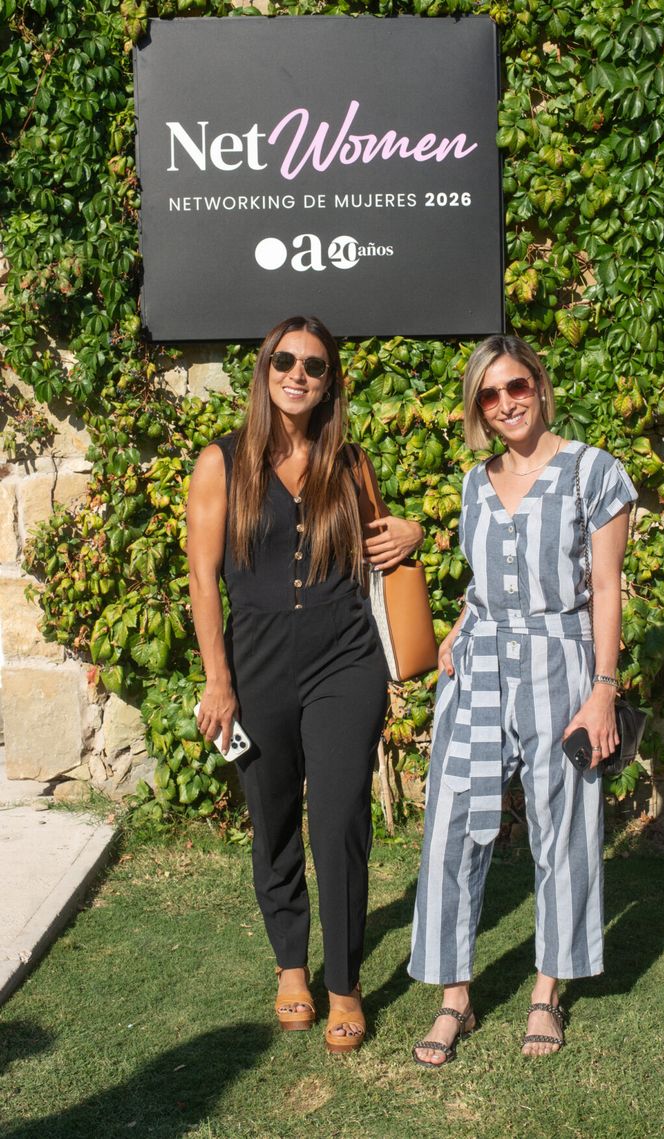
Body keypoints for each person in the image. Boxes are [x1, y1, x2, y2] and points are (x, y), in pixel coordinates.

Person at [187, 315, 422, 1054]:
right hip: (255, 664)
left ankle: (346, 983)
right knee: (274, 814)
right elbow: (201, 579)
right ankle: (293, 965)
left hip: (343, 659)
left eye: (314, 366)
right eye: (284, 360)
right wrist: (217, 681)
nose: (297, 374)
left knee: (342, 815)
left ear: (329, 384)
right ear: (265, 370)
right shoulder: (221, 462)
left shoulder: (349, 462)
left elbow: (383, 545)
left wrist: (412, 532)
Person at [409, 334, 637, 1065]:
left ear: (538, 384)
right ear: (479, 406)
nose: (505, 402)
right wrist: (458, 629)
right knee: (451, 826)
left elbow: (606, 589)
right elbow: (484, 582)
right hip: (478, 666)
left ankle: (546, 991)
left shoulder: (593, 471)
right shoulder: (477, 481)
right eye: (489, 394)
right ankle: (455, 999)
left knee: (561, 827)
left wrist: (602, 692)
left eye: (516, 386)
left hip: (560, 664)